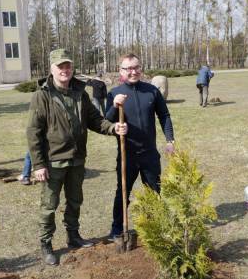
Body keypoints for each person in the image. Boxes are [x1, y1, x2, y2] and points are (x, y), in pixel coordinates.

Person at [27, 49, 127, 266]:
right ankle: (46, 244)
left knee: (75, 201)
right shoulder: (42, 95)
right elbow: (33, 132)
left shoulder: (80, 93)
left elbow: (94, 120)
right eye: (60, 66)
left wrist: (113, 128)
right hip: (52, 161)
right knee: (49, 205)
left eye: (68, 66)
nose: (65, 70)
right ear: (52, 69)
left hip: (77, 159)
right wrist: (38, 164)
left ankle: (73, 236)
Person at [105, 53, 175, 240]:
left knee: (154, 191)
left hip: (149, 154)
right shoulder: (114, 93)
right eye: (128, 68)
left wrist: (170, 140)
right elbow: (107, 120)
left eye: (136, 67)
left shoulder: (152, 91)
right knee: (123, 192)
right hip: (127, 154)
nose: (133, 71)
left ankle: (155, 226)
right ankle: (117, 229)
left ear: (140, 68)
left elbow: (164, 116)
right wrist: (114, 105)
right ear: (121, 71)